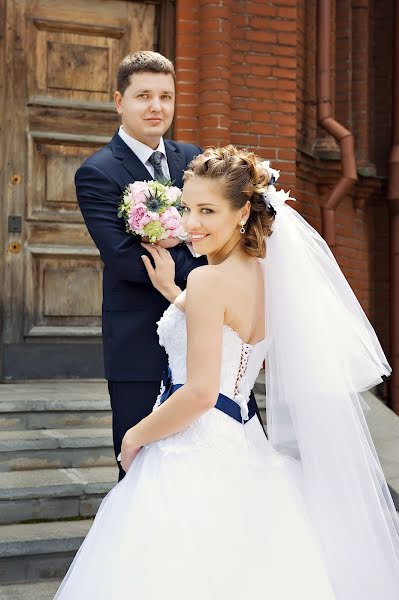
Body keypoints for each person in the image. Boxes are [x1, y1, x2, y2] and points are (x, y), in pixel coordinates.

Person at [55, 146, 399, 600]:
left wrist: (136, 434)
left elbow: (199, 393)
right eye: (186, 208)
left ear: (241, 214)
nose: (190, 223)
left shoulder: (208, 280)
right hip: (240, 438)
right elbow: (228, 336)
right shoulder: (264, 277)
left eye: (207, 210)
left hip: (192, 447)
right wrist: (173, 292)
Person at [75, 51, 206, 480]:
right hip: (138, 344)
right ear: (119, 101)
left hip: (205, 337)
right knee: (141, 471)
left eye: (166, 96)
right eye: (144, 96)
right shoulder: (98, 172)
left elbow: (226, 236)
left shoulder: (195, 158)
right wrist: (201, 258)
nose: (156, 107)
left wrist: (182, 245)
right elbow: (127, 260)